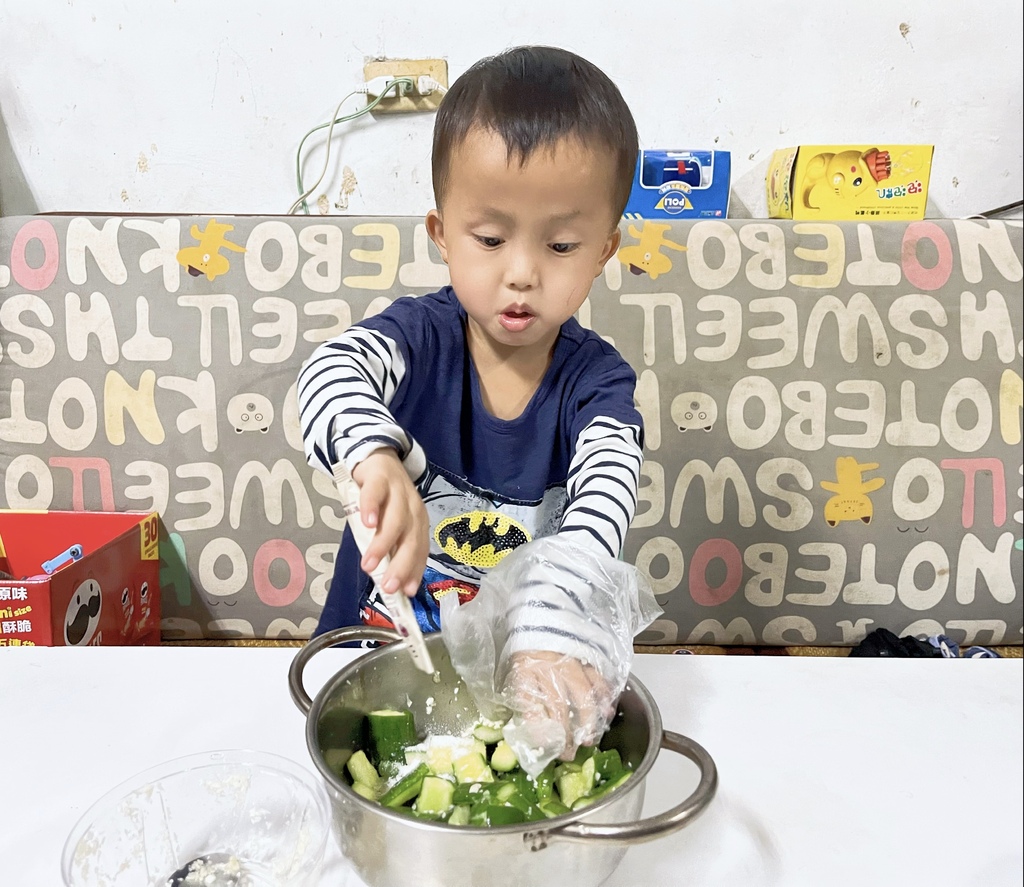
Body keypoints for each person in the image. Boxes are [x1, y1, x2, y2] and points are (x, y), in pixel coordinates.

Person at [297, 46, 645, 748]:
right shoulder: (418, 339)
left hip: (517, 674)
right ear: (442, 235)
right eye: (489, 238)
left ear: (604, 250)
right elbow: (329, 372)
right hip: (370, 658)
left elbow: (608, 492)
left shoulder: (598, 385)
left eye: (562, 245)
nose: (521, 273)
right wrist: (375, 456)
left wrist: (553, 626)